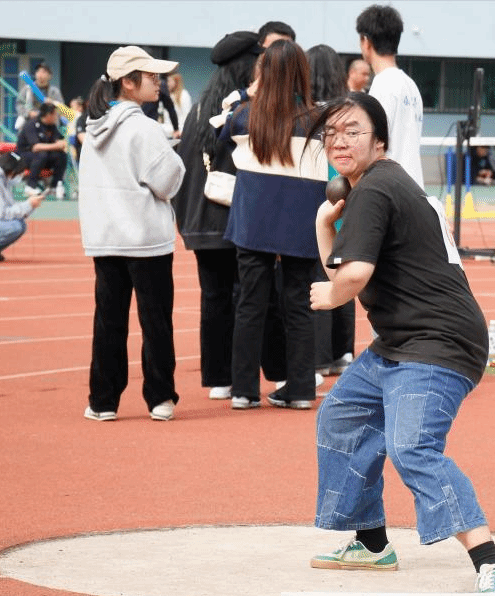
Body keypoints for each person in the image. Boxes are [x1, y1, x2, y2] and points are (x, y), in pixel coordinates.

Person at [305, 92, 495, 593]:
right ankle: (372, 543)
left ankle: (492, 563)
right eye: (331, 133)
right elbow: (344, 271)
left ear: (379, 141)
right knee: (343, 416)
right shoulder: (377, 184)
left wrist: (332, 296)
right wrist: (323, 227)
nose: (339, 141)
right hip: (401, 341)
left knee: (412, 446)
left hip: (438, 342)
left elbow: (350, 277)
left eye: (353, 131)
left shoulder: (376, 188)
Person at [78, 46, 185, 422]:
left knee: (108, 321)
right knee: (156, 322)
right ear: (128, 82)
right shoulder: (144, 128)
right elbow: (168, 181)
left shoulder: (93, 129)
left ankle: (102, 401)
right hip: (146, 240)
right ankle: (160, 397)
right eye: (152, 76)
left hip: (106, 238)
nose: (159, 83)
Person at [221, 39, 326, 411]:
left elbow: (220, 134)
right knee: (298, 305)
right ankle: (300, 390)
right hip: (302, 218)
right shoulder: (318, 119)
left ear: (263, 73)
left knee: (250, 304)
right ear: (302, 73)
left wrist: (246, 94)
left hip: (253, 219)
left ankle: (243, 390)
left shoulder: (244, 115)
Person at [173, 31, 263, 401]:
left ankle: (218, 378)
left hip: (200, 219)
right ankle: (243, 379)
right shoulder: (243, 109)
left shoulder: (197, 110)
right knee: (246, 299)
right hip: (233, 217)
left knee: (213, 299)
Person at [307, 43, 357, 378]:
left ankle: (320, 356)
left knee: (318, 277)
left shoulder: (309, 117)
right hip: (347, 200)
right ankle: (343, 351)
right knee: (344, 275)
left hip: (318, 201)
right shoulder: (349, 112)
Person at [356, 4, 425, 189]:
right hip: (413, 187)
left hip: (392, 190)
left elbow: (374, 147)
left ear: (366, 41)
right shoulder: (410, 85)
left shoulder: (382, 86)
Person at [15, 102, 68, 196]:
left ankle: (54, 186)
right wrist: (57, 146)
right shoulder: (31, 124)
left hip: (43, 157)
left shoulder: (52, 126)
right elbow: (36, 147)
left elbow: (58, 140)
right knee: (41, 154)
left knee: (61, 155)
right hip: (25, 156)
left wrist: (62, 143)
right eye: (55, 114)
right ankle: (30, 186)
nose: (57, 117)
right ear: (48, 115)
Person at [14, 61, 64, 130]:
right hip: (31, 123)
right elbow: (19, 104)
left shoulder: (55, 91)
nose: (40, 74)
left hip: (48, 125)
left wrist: (52, 104)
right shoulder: (27, 88)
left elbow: (61, 108)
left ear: (50, 76)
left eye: (44, 72)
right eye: (38, 72)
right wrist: (28, 113)